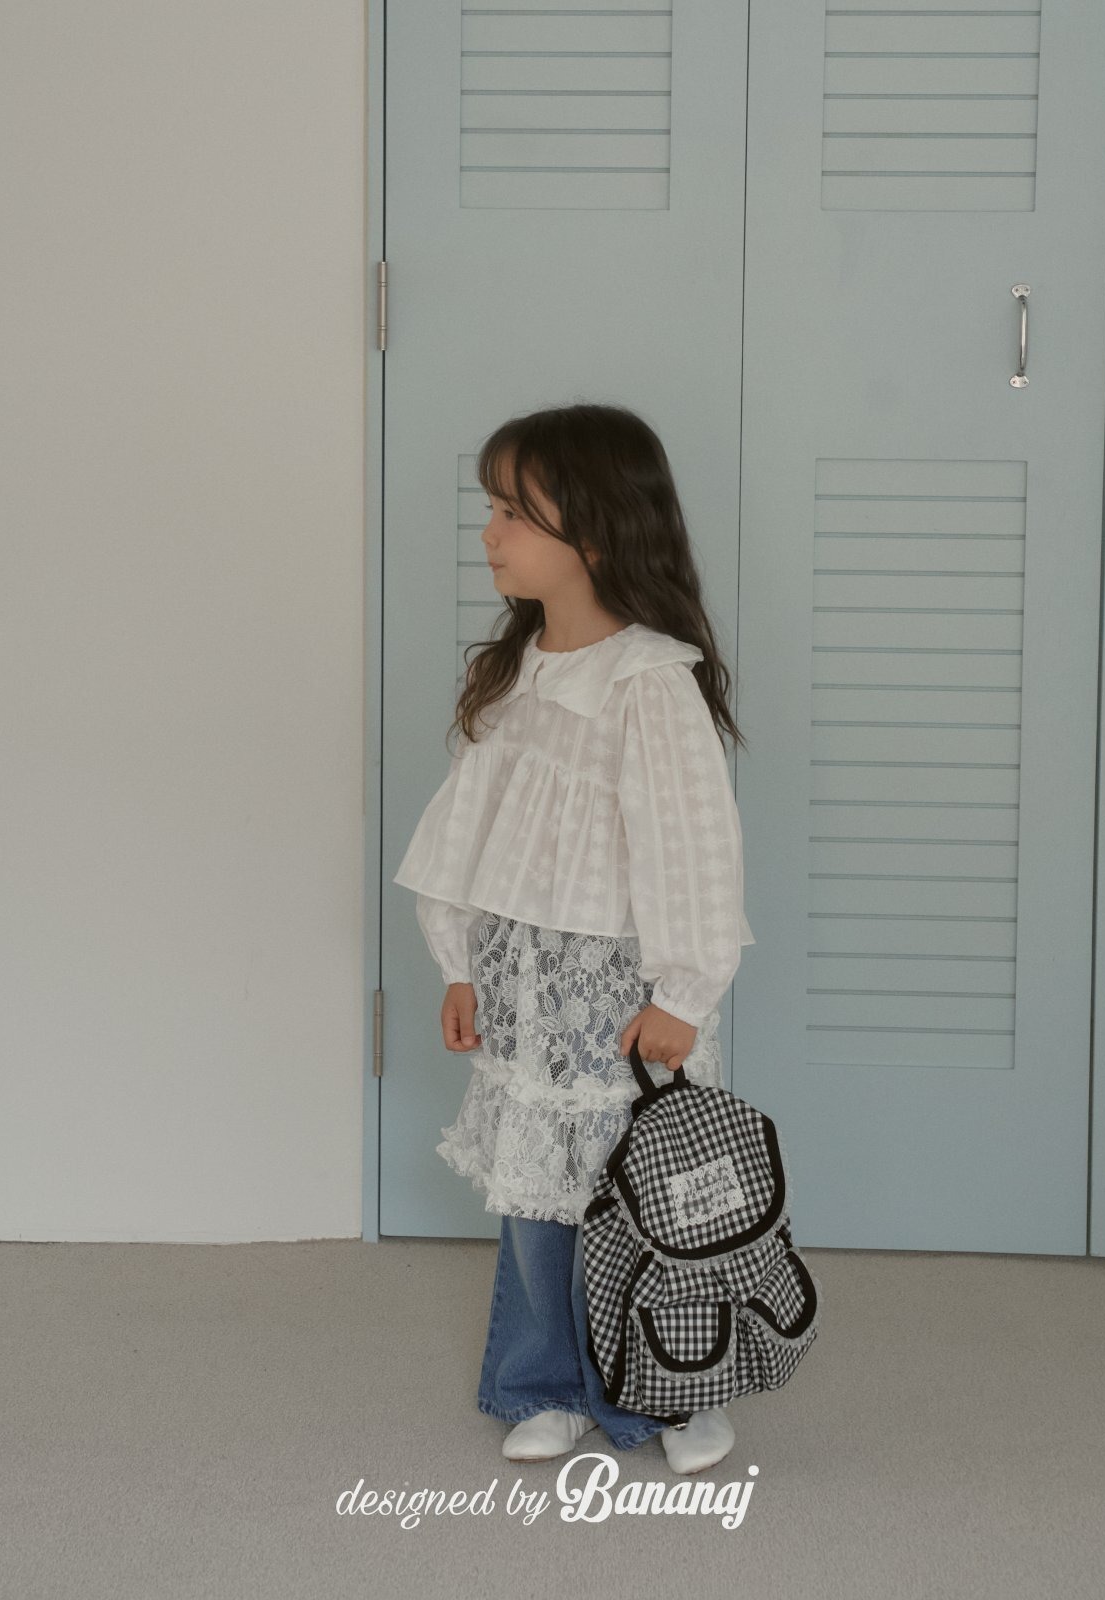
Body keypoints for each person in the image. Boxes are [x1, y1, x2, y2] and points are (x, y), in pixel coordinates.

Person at [392, 402, 755, 1476]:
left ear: (592, 531)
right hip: (522, 974)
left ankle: (673, 1388)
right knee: (536, 1194)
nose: (490, 532)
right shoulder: (518, 674)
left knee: (644, 1191)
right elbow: (464, 831)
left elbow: (692, 847)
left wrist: (684, 991)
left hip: (618, 984)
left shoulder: (647, 682)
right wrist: (457, 962)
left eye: (513, 511)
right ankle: (544, 1380)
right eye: (490, 508)